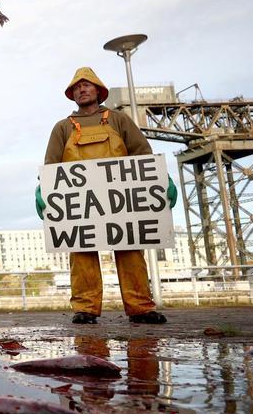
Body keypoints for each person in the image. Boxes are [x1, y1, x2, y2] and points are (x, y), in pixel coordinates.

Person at [43, 67, 167, 324]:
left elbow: (142, 152)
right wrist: (43, 190)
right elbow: (51, 166)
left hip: (122, 204)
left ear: (98, 90)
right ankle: (85, 309)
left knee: (131, 251)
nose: (82, 89)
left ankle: (141, 308)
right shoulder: (62, 128)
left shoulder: (118, 119)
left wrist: (162, 181)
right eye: (77, 87)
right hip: (81, 207)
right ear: (72, 94)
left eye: (86, 85)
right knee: (82, 254)